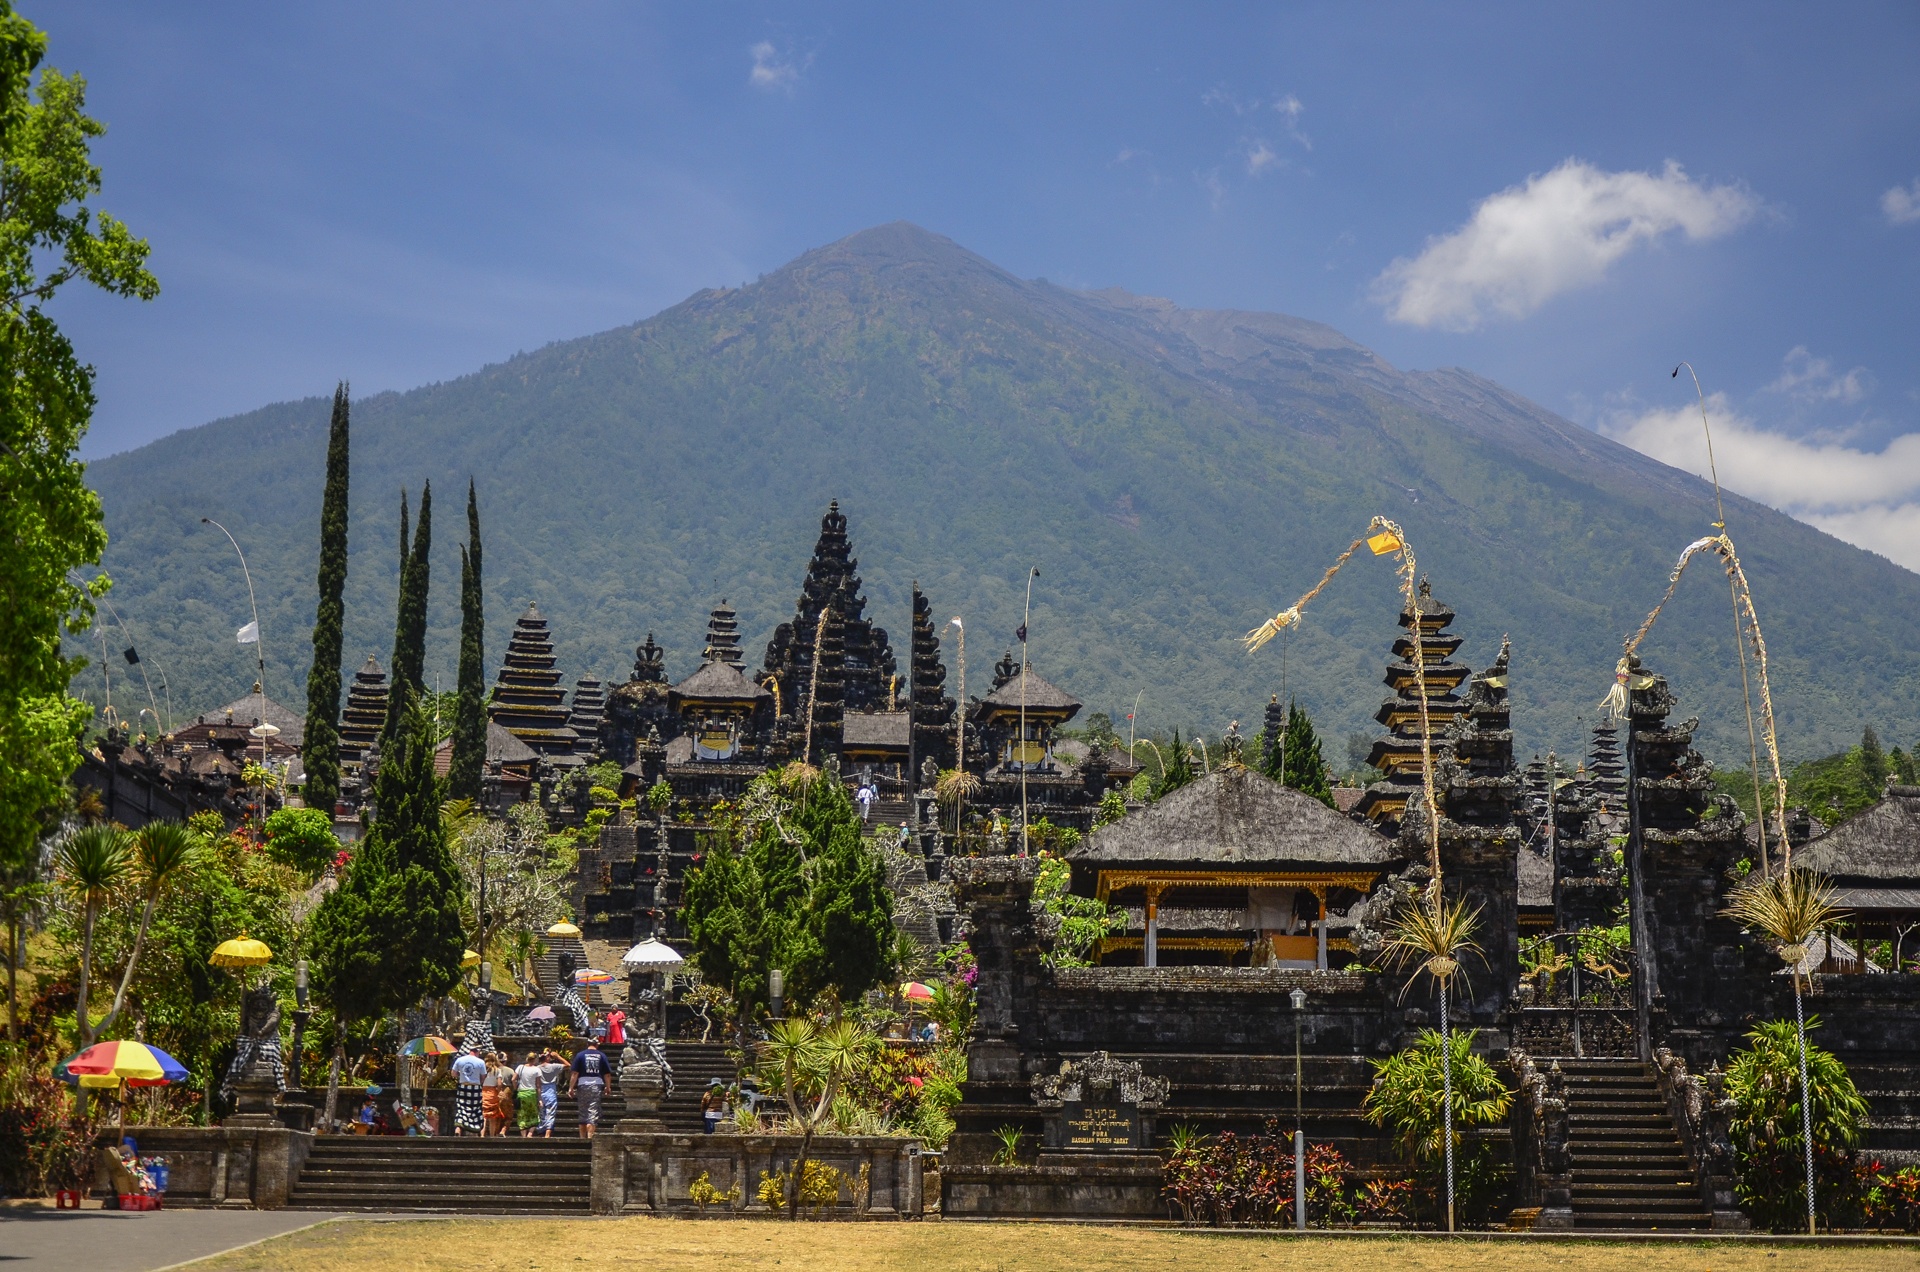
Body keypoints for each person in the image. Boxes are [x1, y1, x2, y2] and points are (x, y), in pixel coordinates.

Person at [569, 1038, 609, 1139]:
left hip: (582, 1084)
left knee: (583, 1110)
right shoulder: (601, 1055)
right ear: (597, 1044)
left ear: (587, 1044)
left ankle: (582, 1137)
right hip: (596, 1084)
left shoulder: (580, 1055)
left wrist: (571, 1088)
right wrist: (608, 1087)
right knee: (593, 1110)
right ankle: (590, 1136)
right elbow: (607, 1074)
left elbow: (574, 1073)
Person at [451, 1046, 487, 1136]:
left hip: (463, 1086)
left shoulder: (460, 1060)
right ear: (477, 1051)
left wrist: (461, 1075)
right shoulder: (480, 1062)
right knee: (476, 1109)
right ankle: (477, 1130)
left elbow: (453, 1074)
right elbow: (483, 1076)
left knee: (461, 1108)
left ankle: (458, 1129)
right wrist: (478, 1081)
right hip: (475, 1088)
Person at [535, 1048, 568, 1139]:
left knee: (541, 1112)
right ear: (547, 1057)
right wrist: (558, 1056)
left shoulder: (537, 1068)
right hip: (550, 1090)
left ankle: (541, 1130)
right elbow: (568, 1065)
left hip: (540, 1090)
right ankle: (547, 1133)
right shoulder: (553, 1066)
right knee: (551, 1112)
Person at [513, 1052, 542, 1136]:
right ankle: (530, 1133)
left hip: (521, 1093)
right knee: (534, 1113)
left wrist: (516, 1089)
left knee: (522, 1114)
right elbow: (538, 1085)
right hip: (532, 1093)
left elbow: (513, 1079)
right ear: (535, 1059)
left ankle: (523, 1135)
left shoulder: (520, 1067)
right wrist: (539, 1098)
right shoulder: (537, 1069)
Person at [480, 1052, 509, 1137]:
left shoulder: (483, 1069)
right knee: (493, 1116)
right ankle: (492, 1135)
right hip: (493, 1093)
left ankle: (482, 1135)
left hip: (484, 1092)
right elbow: (499, 1084)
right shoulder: (497, 1070)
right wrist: (498, 1090)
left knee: (484, 1116)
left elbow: (480, 1080)